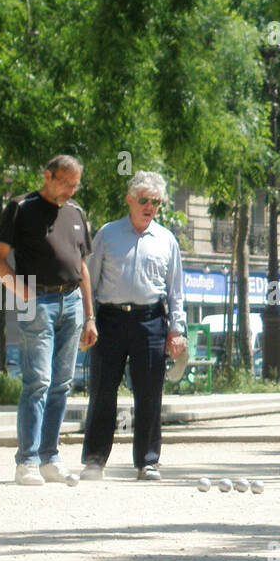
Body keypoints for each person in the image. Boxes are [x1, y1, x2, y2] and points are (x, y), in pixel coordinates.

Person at [0, 155, 95, 485]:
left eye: (75, 184)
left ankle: (50, 456)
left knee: (62, 384)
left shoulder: (77, 212)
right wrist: (22, 293)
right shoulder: (20, 207)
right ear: (47, 175)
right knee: (38, 382)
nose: (70, 189)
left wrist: (90, 316)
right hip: (37, 301)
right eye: (64, 182)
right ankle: (27, 461)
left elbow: (83, 267)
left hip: (72, 302)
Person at [80, 171, 185, 481]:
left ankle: (147, 462)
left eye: (156, 202)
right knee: (102, 392)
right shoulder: (107, 234)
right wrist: (87, 319)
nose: (149, 207)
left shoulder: (167, 240)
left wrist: (177, 330)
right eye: (143, 200)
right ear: (129, 199)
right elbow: (90, 278)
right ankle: (94, 461)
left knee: (150, 393)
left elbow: (176, 290)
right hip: (110, 320)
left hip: (151, 320)